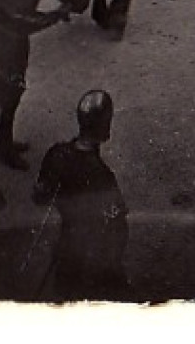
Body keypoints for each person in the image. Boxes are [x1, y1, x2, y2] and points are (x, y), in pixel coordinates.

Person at [32, 90, 130, 301]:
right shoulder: (103, 176)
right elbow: (119, 228)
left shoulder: (56, 154)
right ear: (105, 126)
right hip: (93, 255)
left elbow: (39, 196)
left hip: (66, 247)